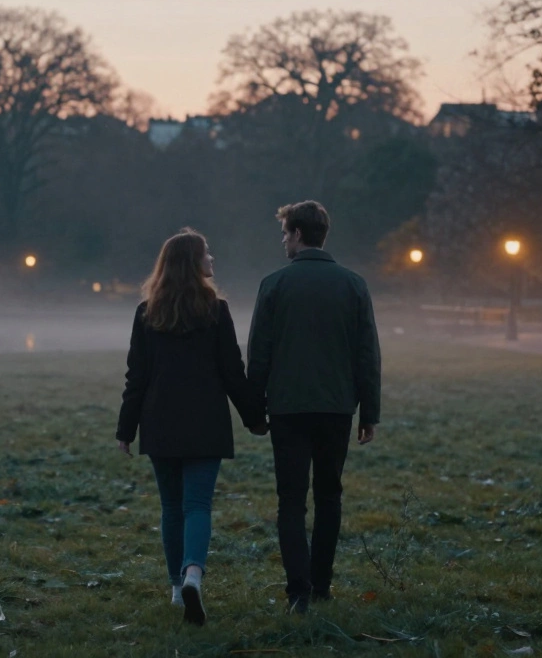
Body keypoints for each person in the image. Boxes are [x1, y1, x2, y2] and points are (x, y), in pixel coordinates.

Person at [116, 228, 267, 627]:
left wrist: (126, 429)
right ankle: (193, 575)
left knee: (171, 506)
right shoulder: (216, 310)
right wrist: (255, 418)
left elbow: (137, 376)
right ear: (192, 263)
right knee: (197, 505)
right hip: (205, 423)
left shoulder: (147, 312)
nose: (212, 259)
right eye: (206, 254)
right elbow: (233, 372)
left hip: (160, 422)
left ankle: (174, 586)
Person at [246, 200, 381, 613]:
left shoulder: (274, 285)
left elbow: (259, 355)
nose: (283, 241)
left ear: (298, 234)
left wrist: (254, 411)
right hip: (336, 407)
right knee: (329, 496)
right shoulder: (354, 285)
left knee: (291, 500)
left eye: (285, 233)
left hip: (287, 408)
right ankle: (322, 585)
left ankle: (298, 592)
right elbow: (367, 354)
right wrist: (369, 412)